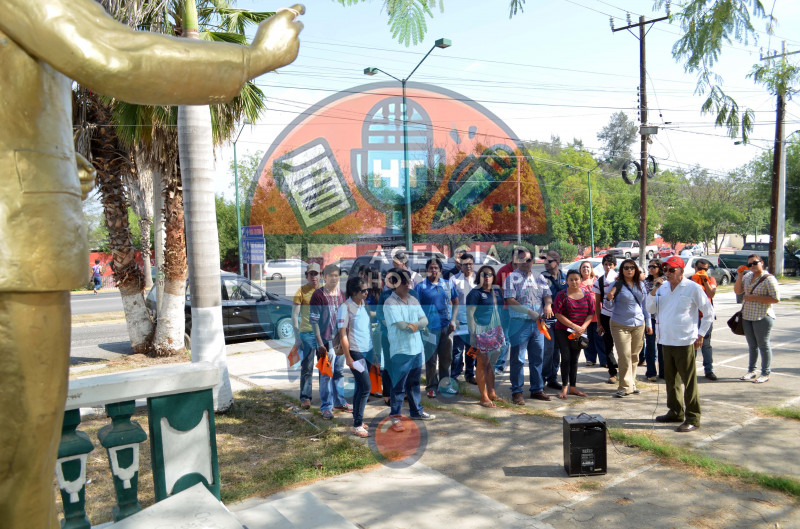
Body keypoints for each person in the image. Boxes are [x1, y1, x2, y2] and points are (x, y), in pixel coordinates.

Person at [0, 2, 304, 527]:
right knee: (21, 474)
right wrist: (251, 59)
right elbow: (114, 54)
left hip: (23, 244)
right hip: (16, 257)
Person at [647, 256, 714, 432]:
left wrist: (701, 334)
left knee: (688, 381)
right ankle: (675, 411)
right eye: (665, 270)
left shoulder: (693, 288)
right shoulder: (662, 288)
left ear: (681, 271)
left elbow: (708, 312)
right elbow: (650, 309)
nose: (667, 273)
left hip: (684, 340)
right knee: (671, 379)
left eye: (671, 270)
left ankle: (693, 417)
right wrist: (654, 291)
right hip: (665, 340)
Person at [383, 268, 435, 431]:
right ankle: (395, 417)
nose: (408, 285)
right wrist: (417, 325)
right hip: (401, 350)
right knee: (398, 385)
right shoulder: (390, 302)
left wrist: (416, 325)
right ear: (395, 284)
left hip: (416, 348)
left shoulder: (413, 299)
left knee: (414, 383)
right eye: (404, 282)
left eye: (408, 282)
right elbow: (402, 326)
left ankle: (416, 411)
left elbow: (424, 319)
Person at [504, 248, 553, 403]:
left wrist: (548, 306)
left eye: (528, 260)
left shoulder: (539, 277)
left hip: (538, 325)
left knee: (537, 357)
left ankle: (537, 389)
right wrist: (529, 312)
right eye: (522, 260)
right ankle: (517, 391)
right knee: (518, 359)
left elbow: (547, 295)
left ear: (533, 261)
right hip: (519, 324)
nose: (526, 263)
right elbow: (510, 300)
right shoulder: (511, 278)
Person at [310, 264, 351, 420]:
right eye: (331, 275)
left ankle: (339, 401)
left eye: (336, 275)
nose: (334, 278)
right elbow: (314, 321)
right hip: (325, 341)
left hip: (339, 341)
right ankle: (326, 407)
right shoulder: (318, 295)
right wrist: (320, 344)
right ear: (324, 277)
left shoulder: (342, 294)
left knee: (339, 372)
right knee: (326, 374)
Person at [606, 259, 651, 398]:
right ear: (622, 270)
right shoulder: (616, 285)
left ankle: (632, 383)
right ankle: (624, 387)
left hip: (638, 323)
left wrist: (648, 323)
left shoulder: (641, 285)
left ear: (636, 270)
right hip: (620, 324)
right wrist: (609, 299)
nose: (629, 270)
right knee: (624, 356)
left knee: (634, 356)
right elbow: (608, 307)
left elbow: (645, 306)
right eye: (626, 268)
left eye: (632, 267)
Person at [415, 258, 459, 398]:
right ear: (427, 270)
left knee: (446, 359)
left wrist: (453, 319)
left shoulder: (447, 285)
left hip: (446, 327)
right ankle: (431, 387)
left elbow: (456, 302)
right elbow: (416, 308)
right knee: (431, 360)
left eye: (436, 268)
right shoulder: (421, 287)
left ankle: (445, 385)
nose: (433, 271)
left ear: (440, 270)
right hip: (429, 329)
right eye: (431, 268)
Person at [734, 254, 781, 384]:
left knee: (763, 345)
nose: (752, 266)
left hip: (763, 316)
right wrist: (739, 275)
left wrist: (755, 298)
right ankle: (751, 371)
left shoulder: (768, 279)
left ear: (762, 263)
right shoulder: (748, 276)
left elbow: (776, 298)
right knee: (752, 346)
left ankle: (765, 373)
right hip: (747, 316)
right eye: (749, 264)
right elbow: (738, 291)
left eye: (755, 263)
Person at [337, 276, 373, 438]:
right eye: (363, 291)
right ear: (354, 292)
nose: (367, 293)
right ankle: (358, 425)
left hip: (368, 351)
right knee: (366, 387)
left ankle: (357, 420)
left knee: (360, 387)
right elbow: (342, 334)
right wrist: (348, 357)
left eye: (367, 290)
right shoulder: (345, 307)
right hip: (356, 353)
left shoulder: (363, 304)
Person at [467, 265, 505, 407]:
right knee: (482, 364)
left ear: (493, 277)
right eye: (483, 275)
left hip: (496, 331)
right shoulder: (475, 293)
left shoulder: (496, 291)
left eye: (489, 274)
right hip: (481, 332)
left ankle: (492, 393)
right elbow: (470, 314)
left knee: (491, 364)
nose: (487, 277)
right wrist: (472, 335)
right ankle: (483, 397)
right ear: (479, 277)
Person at [553, 269, 595, 399]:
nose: (574, 282)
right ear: (567, 281)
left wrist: (582, 328)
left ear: (580, 280)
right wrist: (574, 326)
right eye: (571, 279)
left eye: (576, 279)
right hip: (563, 330)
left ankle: (573, 387)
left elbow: (591, 313)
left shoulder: (587, 295)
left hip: (579, 332)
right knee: (565, 358)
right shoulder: (561, 295)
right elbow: (558, 314)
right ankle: (564, 387)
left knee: (575, 359)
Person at [292, 262, 321, 410]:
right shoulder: (301, 292)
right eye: (311, 274)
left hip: (322, 335)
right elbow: (294, 315)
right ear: (306, 276)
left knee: (325, 367)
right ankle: (305, 397)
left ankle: (325, 395)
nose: (314, 277)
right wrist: (297, 337)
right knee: (307, 367)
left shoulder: (324, 290)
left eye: (316, 274)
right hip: (307, 334)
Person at [540, 250, 567, 391]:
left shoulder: (564, 276)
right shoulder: (542, 277)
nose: (545, 263)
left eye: (549, 261)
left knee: (557, 350)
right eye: (544, 260)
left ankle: (552, 378)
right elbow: (542, 296)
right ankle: (542, 378)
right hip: (547, 319)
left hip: (562, 319)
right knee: (548, 350)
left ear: (557, 261)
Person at [493, 247, 523, 373]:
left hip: (520, 311)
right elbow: (496, 286)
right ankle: (499, 365)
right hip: (505, 309)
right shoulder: (504, 270)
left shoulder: (525, 271)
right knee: (504, 338)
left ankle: (517, 365)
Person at [450, 252, 477, 385]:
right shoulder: (454, 279)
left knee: (472, 349)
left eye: (470, 264)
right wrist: (453, 319)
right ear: (460, 265)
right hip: (460, 320)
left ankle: (470, 374)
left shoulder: (479, 279)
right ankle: (454, 375)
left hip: (475, 320)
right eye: (465, 264)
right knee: (457, 350)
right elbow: (449, 301)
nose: (468, 267)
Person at [593, 254, 619, 383]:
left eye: (611, 264)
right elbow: (597, 303)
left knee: (622, 344)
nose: (608, 267)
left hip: (621, 316)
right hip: (606, 315)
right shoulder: (599, 281)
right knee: (608, 345)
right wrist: (599, 322)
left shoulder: (620, 279)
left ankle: (626, 371)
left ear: (615, 266)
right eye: (606, 264)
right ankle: (612, 372)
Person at [692, 258, 718, 380]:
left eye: (706, 269)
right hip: (692, 318)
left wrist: (705, 280)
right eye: (700, 269)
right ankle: (690, 370)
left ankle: (709, 370)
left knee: (706, 345)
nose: (703, 271)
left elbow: (711, 294)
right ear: (695, 268)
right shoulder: (690, 279)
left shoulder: (710, 279)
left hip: (705, 317)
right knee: (692, 344)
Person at [578, 260, 605, 368]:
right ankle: (590, 359)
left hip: (598, 314)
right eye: (583, 267)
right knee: (587, 338)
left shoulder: (597, 280)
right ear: (580, 269)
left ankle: (603, 360)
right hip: (585, 316)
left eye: (588, 267)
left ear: (591, 269)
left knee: (600, 338)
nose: (586, 269)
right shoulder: (578, 282)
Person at [643, 259, 665, 381]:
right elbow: (646, 301)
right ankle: (651, 372)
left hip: (663, 318)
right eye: (649, 266)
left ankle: (663, 371)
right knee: (650, 346)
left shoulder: (665, 281)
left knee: (662, 346)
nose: (651, 269)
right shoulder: (646, 282)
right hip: (650, 318)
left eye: (654, 266)